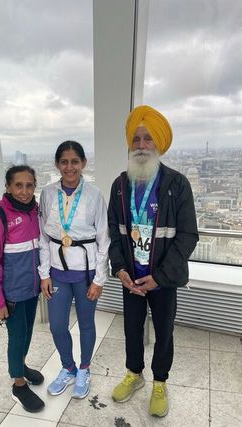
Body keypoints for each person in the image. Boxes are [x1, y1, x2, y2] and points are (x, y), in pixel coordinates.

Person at [108, 105, 198, 417]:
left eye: (148, 139)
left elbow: (187, 236)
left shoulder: (176, 185)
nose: (142, 145)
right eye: (137, 138)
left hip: (162, 279)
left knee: (164, 332)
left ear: (158, 144)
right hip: (131, 278)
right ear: (130, 144)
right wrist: (120, 270)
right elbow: (115, 233)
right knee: (131, 330)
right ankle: (134, 374)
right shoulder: (120, 186)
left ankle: (160, 381)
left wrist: (160, 277)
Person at [38, 140, 110, 399]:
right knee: (57, 325)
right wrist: (44, 273)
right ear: (57, 164)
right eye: (64, 162)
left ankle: (84, 369)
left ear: (83, 164)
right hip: (57, 270)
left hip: (86, 271)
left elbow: (104, 238)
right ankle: (68, 368)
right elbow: (43, 237)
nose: (70, 167)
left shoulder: (94, 195)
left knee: (86, 324)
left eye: (75, 162)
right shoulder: (47, 193)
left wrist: (99, 279)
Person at [0, 165, 45, 413]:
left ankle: (21, 364)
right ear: (8, 187)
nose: (24, 191)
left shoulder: (35, 211)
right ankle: (18, 383)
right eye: (18, 185)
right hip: (13, 293)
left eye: (29, 185)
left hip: (32, 289)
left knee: (28, 332)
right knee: (17, 336)